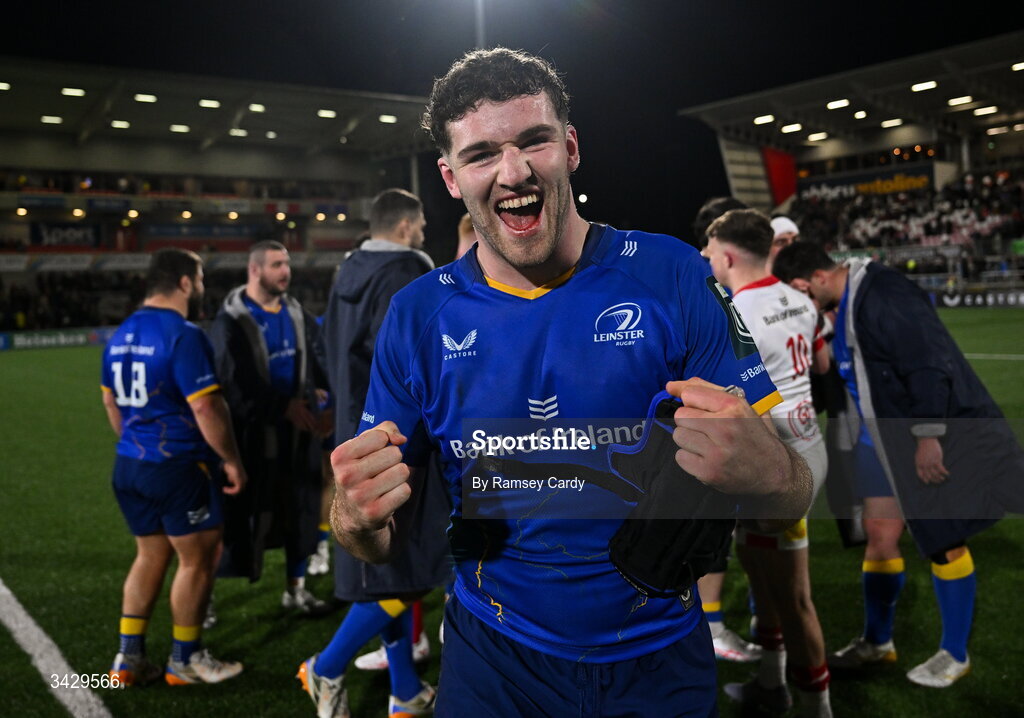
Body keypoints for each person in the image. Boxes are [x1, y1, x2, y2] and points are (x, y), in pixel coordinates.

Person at [327, 47, 812, 716]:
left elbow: (793, 487)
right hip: (491, 662)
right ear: (449, 177)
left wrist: (775, 472)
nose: (514, 172)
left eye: (534, 141)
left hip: (661, 659)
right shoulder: (417, 314)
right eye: (480, 155)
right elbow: (375, 539)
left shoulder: (674, 275)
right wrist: (352, 516)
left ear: (572, 147)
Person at [772, 241, 1024, 688]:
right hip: (878, 440)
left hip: (916, 437)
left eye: (803, 294)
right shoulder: (844, 303)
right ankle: (878, 641)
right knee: (880, 535)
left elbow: (928, 364)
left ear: (817, 278)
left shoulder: (885, 293)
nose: (806, 305)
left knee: (943, 537)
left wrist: (928, 436)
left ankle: (955, 653)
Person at [298, 188, 449, 717]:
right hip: (397, 439)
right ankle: (327, 665)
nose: (426, 230)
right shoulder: (408, 271)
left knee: (387, 572)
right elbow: (413, 360)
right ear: (406, 226)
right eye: (423, 221)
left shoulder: (347, 271)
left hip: (352, 432)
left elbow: (323, 348)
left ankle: (404, 690)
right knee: (420, 569)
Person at [702, 209, 833, 716]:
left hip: (775, 467)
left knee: (795, 600)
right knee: (765, 579)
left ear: (729, 256)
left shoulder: (735, 311)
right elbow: (820, 365)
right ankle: (771, 682)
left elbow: (734, 398)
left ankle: (816, 708)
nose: (706, 260)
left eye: (710, 253)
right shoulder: (799, 297)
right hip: (805, 444)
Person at [102, 247, 246, 686]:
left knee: (149, 555)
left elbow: (111, 402)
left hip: (130, 463)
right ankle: (185, 659)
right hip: (178, 467)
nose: (201, 288)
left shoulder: (121, 332)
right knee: (198, 561)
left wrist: (134, 441)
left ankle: (128, 659)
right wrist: (230, 459)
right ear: (185, 283)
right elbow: (207, 409)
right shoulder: (183, 334)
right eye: (199, 279)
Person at [208, 240, 331, 613]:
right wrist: (281, 406)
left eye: (287, 264)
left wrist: (322, 396)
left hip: (298, 437)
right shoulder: (231, 319)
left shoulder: (296, 313)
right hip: (251, 441)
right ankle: (204, 600)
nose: (286, 272)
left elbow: (319, 363)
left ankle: (295, 590)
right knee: (236, 525)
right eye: (277, 264)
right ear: (255, 269)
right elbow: (232, 384)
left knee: (302, 516)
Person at [690, 196, 764, 666]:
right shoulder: (718, 297)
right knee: (721, 530)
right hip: (726, 433)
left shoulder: (728, 299)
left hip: (729, 432)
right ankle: (714, 625)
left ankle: (738, 622)